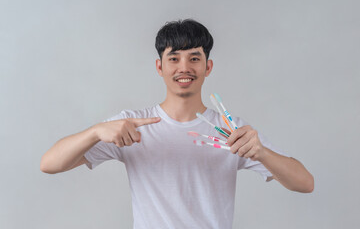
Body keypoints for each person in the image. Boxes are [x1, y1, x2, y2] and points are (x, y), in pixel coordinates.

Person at [41, 19, 314, 228]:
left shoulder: (233, 131)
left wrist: (262, 152)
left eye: (194, 58)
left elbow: (305, 183)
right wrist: (95, 132)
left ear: (208, 67)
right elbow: (50, 164)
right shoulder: (132, 126)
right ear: (159, 67)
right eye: (174, 59)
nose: (184, 68)